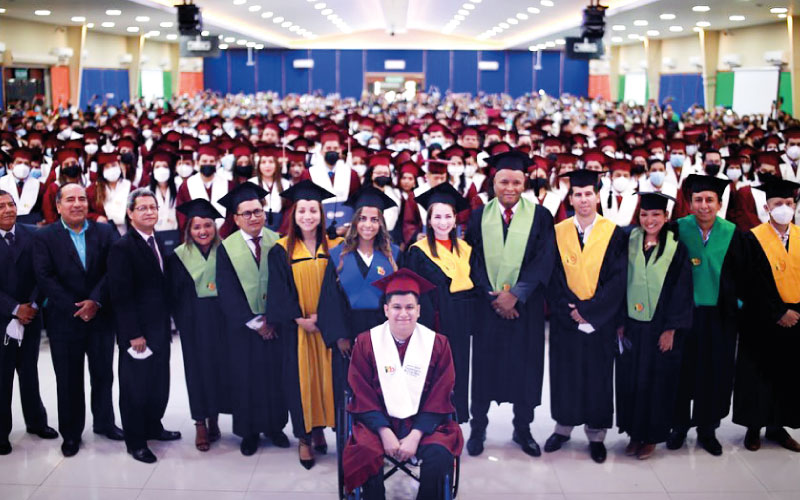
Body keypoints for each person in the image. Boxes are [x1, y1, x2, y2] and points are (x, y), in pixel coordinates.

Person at [342, 269, 463, 500]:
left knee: (439, 454)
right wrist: (384, 430)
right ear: (386, 310)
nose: (403, 314)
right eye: (396, 307)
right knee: (366, 451)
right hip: (377, 422)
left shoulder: (438, 344)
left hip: (425, 424)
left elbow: (441, 392)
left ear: (419, 310)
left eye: (410, 307)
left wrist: (416, 434)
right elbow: (361, 391)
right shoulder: (366, 342)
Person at [465, 150, 555, 457]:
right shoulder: (478, 215)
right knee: (484, 370)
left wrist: (516, 294)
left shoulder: (541, 216)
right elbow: (472, 259)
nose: (510, 188)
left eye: (517, 182)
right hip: (488, 307)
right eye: (504, 181)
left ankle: (523, 428)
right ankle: (478, 429)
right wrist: (494, 296)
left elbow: (545, 260)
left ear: (525, 182)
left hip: (524, 310)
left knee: (525, 369)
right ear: (494, 181)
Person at [33, 183, 122, 457]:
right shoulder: (45, 236)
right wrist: (77, 307)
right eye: (70, 199)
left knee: (103, 374)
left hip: (100, 316)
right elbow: (44, 277)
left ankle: (105, 422)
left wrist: (95, 301)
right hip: (64, 319)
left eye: (82, 199)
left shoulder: (105, 231)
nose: (77, 204)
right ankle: (71, 433)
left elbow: (113, 269)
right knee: (68, 379)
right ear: (58, 206)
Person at [544, 169, 627, 463]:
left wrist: (590, 313)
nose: (583, 200)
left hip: (600, 322)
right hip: (566, 320)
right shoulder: (557, 231)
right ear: (571, 197)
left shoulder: (614, 232)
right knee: (565, 374)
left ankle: (596, 434)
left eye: (588, 194)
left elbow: (618, 280)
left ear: (597, 195)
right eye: (577, 194)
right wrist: (572, 312)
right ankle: (563, 428)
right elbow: (552, 277)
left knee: (599, 376)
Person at [267, 179, 342, 469]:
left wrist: (323, 318)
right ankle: (304, 438)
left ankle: (322, 429)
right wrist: (300, 318)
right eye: (302, 211)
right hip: (297, 329)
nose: (308, 216)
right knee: (301, 383)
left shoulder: (335, 247)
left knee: (329, 381)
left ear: (322, 214)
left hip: (329, 327)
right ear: (293, 215)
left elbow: (339, 288)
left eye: (313, 210)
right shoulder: (281, 249)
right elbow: (279, 290)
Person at [318, 185, 401, 445]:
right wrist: (340, 336)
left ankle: (382, 441)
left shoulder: (393, 255)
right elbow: (329, 301)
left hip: (382, 336)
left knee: (382, 389)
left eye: (374, 219)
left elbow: (399, 300)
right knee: (348, 390)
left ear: (381, 223)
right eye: (363, 218)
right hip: (348, 336)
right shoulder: (338, 255)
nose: (368, 224)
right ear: (354, 222)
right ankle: (349, 440)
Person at [669, 175, 746, 456]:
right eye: (698, 200)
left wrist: (735, 305)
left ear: (720, 203)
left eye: (709, 200)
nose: (704, 206)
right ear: (690, 204)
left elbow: (743, 277)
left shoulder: (733, 233)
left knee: (714, 373)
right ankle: (677, 426)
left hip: (719, 318)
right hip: (684, 316)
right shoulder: (677, 229)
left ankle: (707, 429)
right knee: (681, 372)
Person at [616, 192, 694, 459]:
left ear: (666, 217)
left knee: (657, 381)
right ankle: (634, 433)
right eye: (645, 214)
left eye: (656, 215)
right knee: (631, 380)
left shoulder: (677, 247)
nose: (650, 220)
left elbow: (682, 291)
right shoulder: (628, 241)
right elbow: (618, 282)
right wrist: (620, 322)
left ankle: (651, 437)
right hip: (633, 326)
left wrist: (671, 329)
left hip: (661, 326)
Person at [215, 182, 289, 456]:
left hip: (276, 325)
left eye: (257, 211)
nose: (253, 217)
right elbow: (227, 291)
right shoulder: (226, 248)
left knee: (274, 377)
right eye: (246, 213)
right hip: (244, 329)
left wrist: (273, 319)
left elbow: (283, 286)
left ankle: (275, 427)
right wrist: (256, 323)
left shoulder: (278, 241)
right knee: (245, 378)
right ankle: (248, 432)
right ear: (235, 218)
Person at [107, 188, 181, 463]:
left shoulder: (157, 240)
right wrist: (133, 334)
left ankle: (153, 426)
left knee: (158, 383)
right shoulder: (122, 247)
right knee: (135, 388)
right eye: (143, 208)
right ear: (130, 213)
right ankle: (136, 441)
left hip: (160, 328)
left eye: (153, 207)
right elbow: (120, 296)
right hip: (137, 333)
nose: (150, 212)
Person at [733, 177, 800, 453]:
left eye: (788, 203)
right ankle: (754, 427)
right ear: (767, 206)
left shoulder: (799, 237)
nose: (784, 207)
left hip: (797, 319)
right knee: (757, 373)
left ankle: (778, 427)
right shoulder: (752, 238)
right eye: (777, 203)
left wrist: (794, 313)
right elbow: (750, 282)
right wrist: (778, 311)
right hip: (761, 319)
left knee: (787, 373)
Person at [166, 199, 232, 452]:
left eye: (207, 225)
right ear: (188, 230)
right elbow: (173, 294)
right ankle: (200, 424)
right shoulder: (178, 257)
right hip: (193, 322)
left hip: (222, 320)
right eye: (196, 227)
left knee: (220, 369)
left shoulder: (226, 252)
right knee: (197, 372)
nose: (203, 231)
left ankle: (214, 417)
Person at [407, 182, 475, 423]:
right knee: (431, 376)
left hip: (460, 323)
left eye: (448, 216)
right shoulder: (417, 251)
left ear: (456, 219)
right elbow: (414, 293)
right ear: (429, 219)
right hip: (433, 325)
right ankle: (427, 425)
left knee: (457, 373)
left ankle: (452, 423)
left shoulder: (467, 250)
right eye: (437, 216)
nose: (443, 222)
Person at [0, 189, 56, 456]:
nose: (9, 209)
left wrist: (31, 306)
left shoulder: (33, 235)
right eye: (1, 206)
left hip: (32, 316)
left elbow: (43, 274)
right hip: (2, 320)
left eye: (11, 204)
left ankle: (37, 422)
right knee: (2, 377)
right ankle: (1, 432)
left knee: (30, 372)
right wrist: (13, 309)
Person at [0, 148, 44, 225]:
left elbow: (41, 209)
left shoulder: (39, 185)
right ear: (11, 166)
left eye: (26, 164)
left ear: (30, 167)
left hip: (30, 225)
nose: (22, 166)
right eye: (19, 163)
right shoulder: (1, 182)